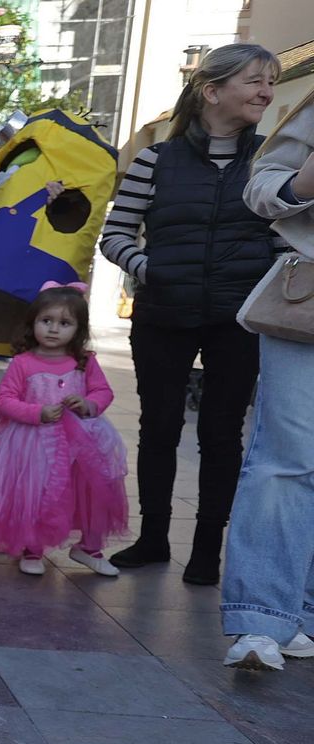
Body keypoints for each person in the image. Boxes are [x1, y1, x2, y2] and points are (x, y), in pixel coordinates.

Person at [98, 43, 282, 585]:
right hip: (162, 314)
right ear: (212, 91)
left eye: (270, 81)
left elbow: (281, 242)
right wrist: (151, 269)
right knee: (158, 429)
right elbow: (115, 235)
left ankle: (207, 552)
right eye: (254, 81)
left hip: (237, 320)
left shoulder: (272, 162)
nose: (266, 92)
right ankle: (153, 538)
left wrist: (265, 293)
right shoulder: (156, 159)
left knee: (223, 436)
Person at [221, 86, 314, 670]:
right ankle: (262, 616)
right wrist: (301, 185)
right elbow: (264, 181)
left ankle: (299, 612)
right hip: (308, 304)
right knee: (288, 456)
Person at [0, 284, 127, 576]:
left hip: (82, 445)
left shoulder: (85, 361)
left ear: (79, 328)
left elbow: (103, 392)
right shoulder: (23, 363)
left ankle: (88, 547)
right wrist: (37, 412)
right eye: (46, 321)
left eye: (64, 323)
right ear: (33, 322)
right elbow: (4, 400)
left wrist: (87, 404)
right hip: (33, 444)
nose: (53, 330)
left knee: (91, 493)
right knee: (37, 495)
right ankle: (32, 548)